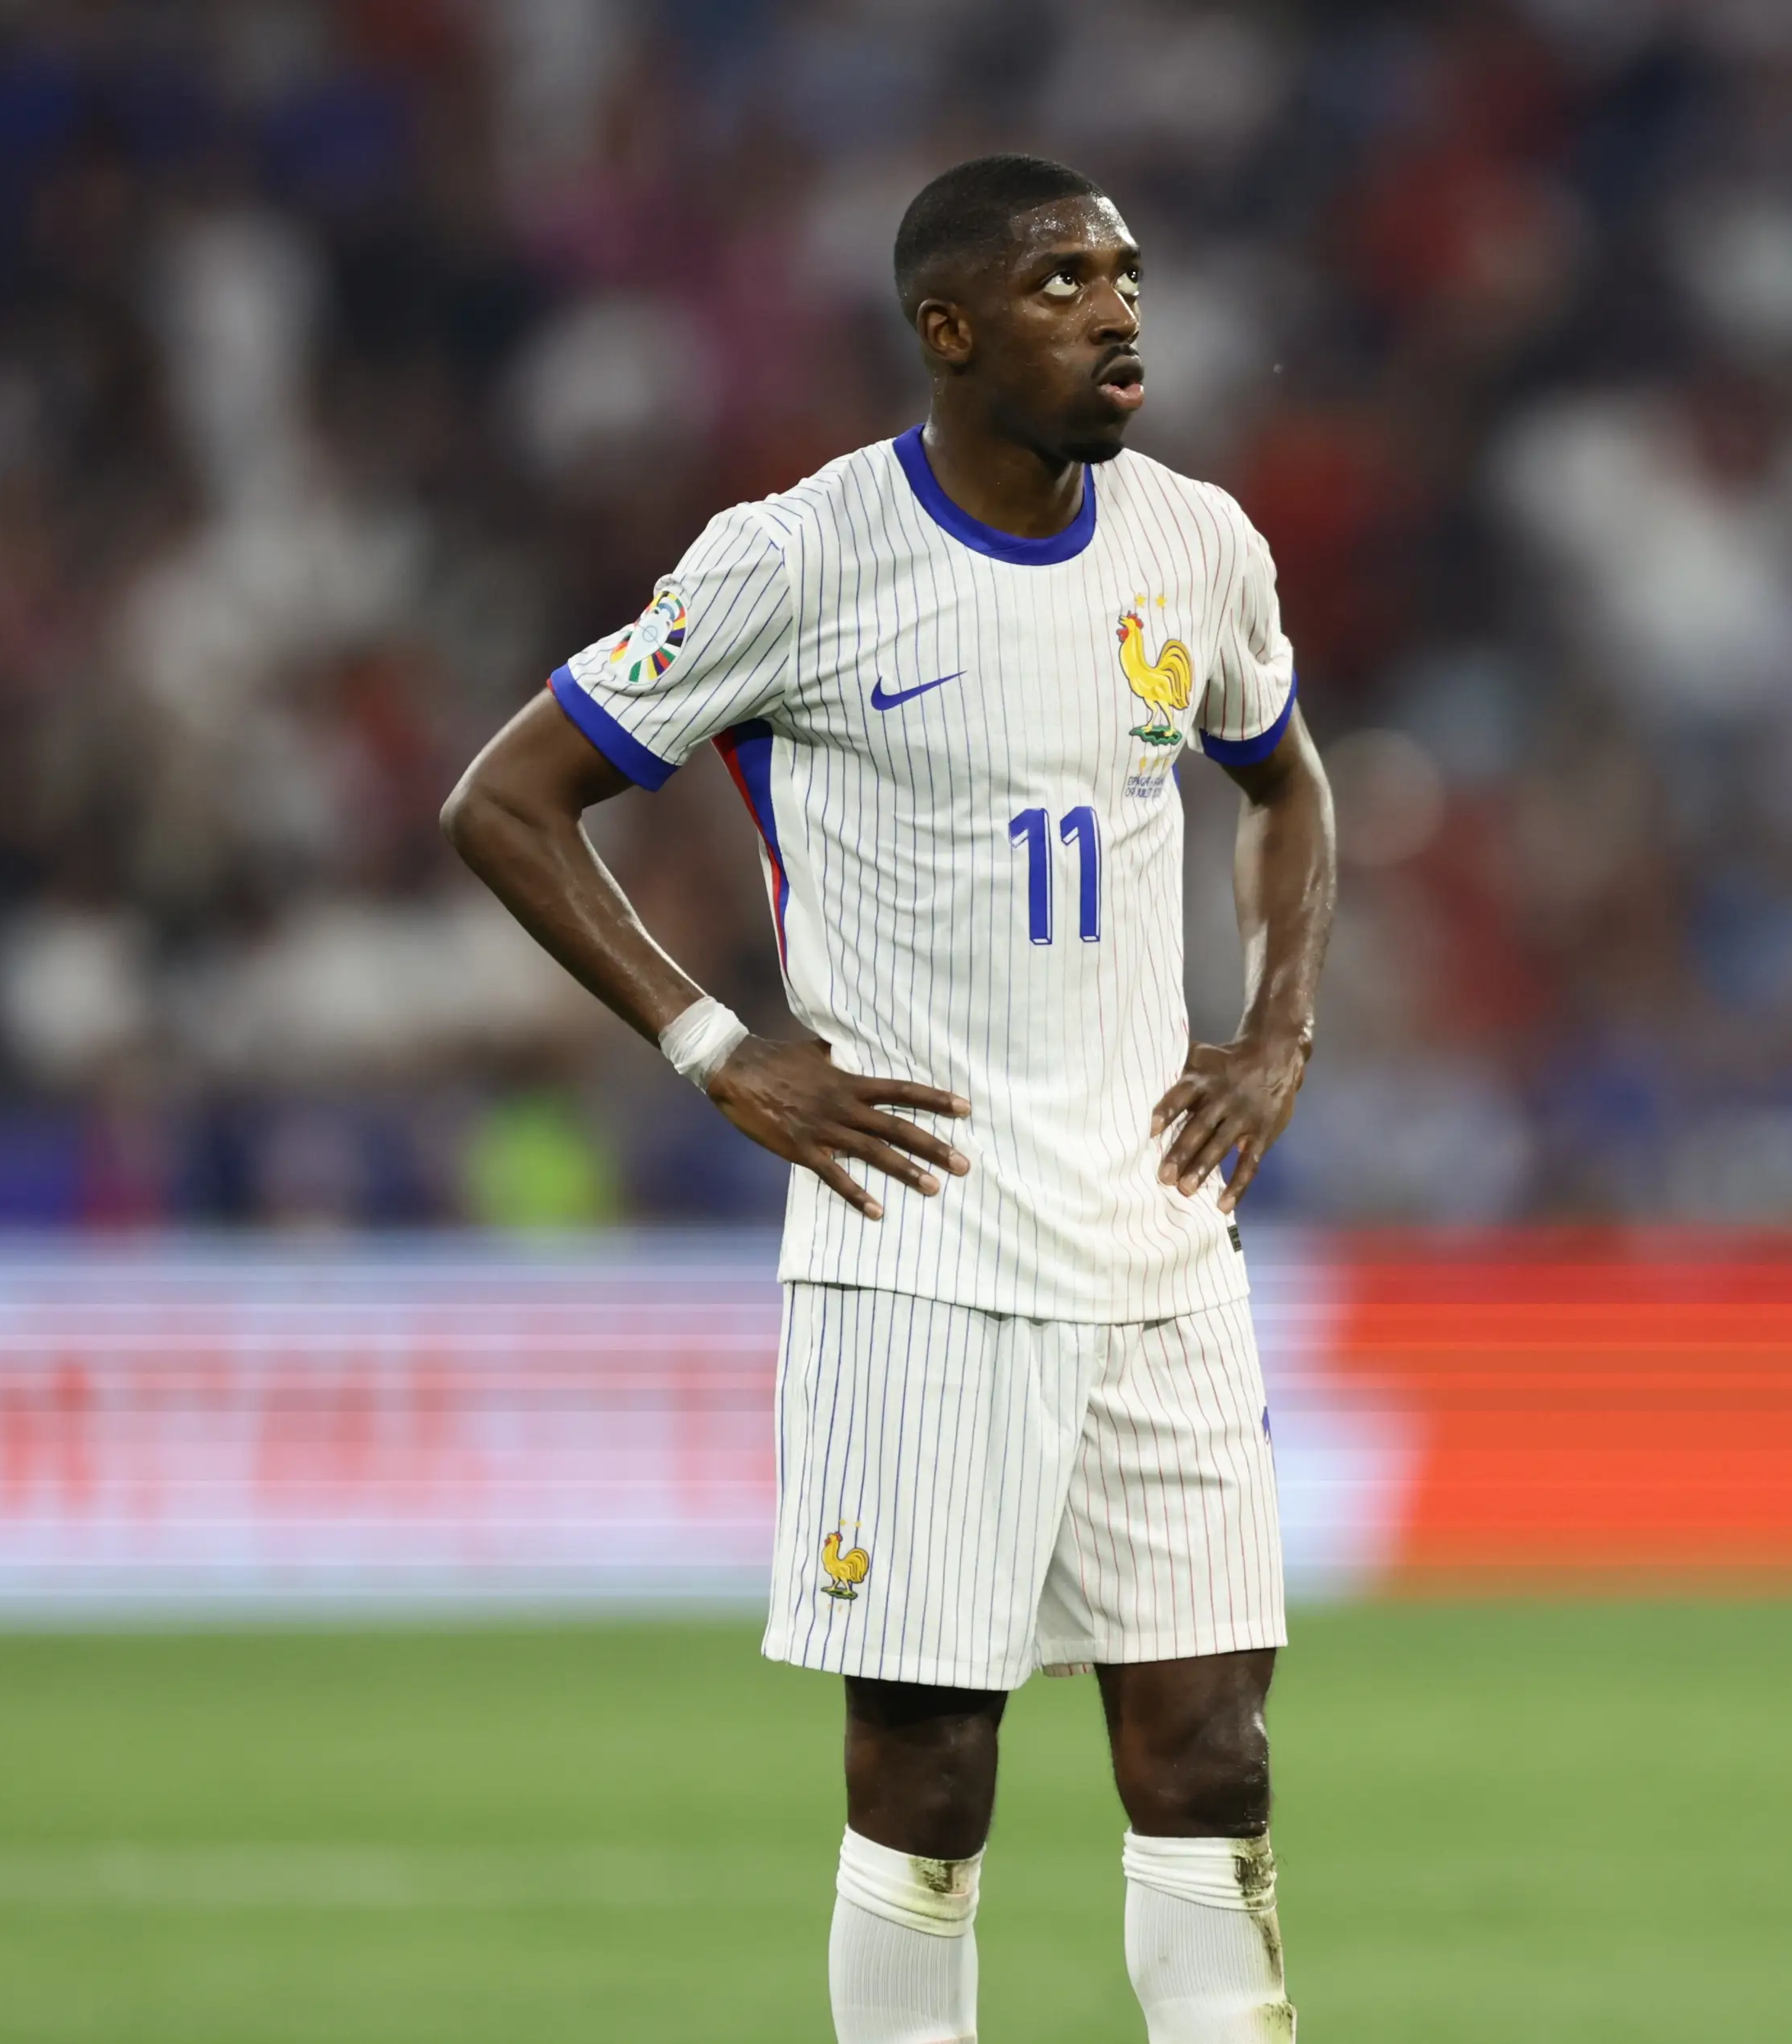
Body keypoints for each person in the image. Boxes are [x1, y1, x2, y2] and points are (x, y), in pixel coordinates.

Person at [441, 154, 1336, 2042]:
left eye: (1128, 274)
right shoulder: (803, 555)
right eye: (1061, 281)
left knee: (1215, 1755)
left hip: (1162, 1236)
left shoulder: (1198, 543)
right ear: (947, 330)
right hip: (919, 1242)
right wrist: (714, 1043)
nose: (1117, 312)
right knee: (929, 1771)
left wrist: (1280, 1025)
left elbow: (1289, 781)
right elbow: (505, 798)